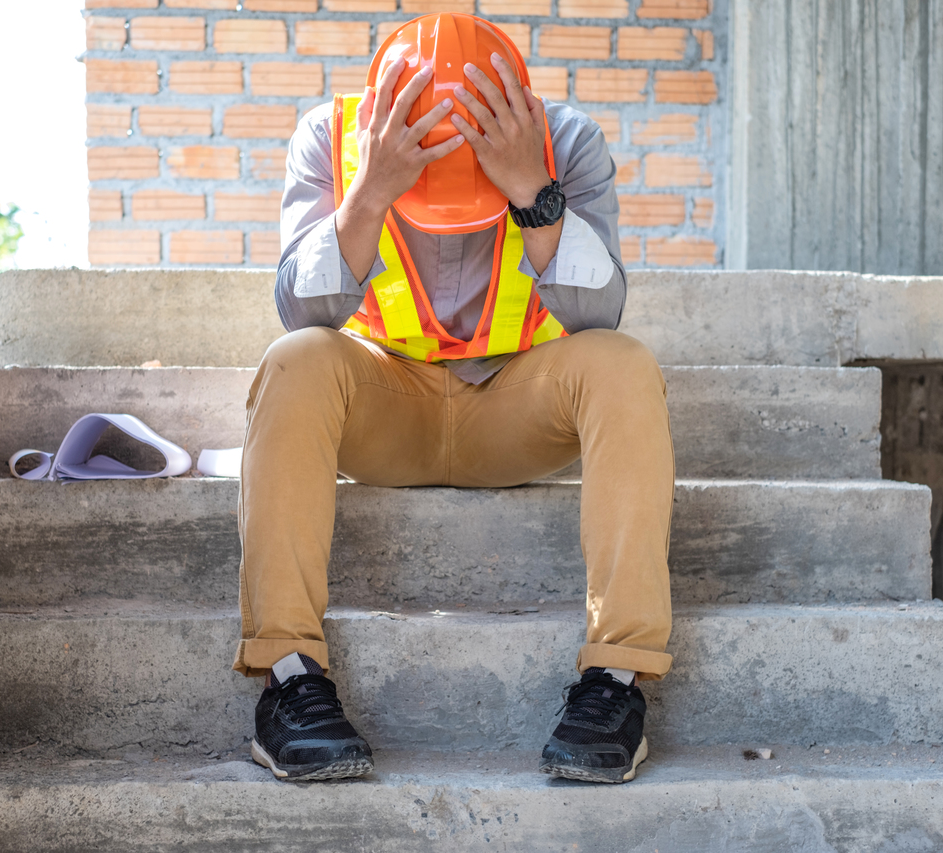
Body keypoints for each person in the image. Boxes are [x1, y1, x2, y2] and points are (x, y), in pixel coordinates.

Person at [237, 12, 675, 785]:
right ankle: (290, 678)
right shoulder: (331, 139)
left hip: (517, 407)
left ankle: (616, 680)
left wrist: (529, 190)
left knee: (623, 363)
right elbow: (302, 313)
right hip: (385, 406)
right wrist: (370, 191)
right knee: (294, 359)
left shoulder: (566, 139)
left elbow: (597, 315)